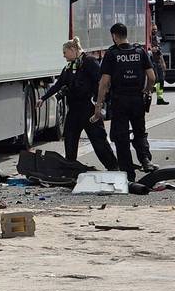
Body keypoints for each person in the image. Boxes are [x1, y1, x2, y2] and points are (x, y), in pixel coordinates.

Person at [40, 37, 117, 170]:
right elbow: (59, 84)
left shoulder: (89, 62)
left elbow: (101, 82)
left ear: (73, 49)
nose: (63, 56)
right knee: (70, 137)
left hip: (89, 108)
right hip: (74, 109)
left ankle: (113, 167)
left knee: (98, 141)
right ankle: (70, 167)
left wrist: (100, 103)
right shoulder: (69, 67)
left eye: (65, 52)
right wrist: (43, 98)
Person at [92, 23, 157, 181]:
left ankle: (128, 174)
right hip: (137, 99)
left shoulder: (112, 54)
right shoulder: (140, 51)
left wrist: (98, 105)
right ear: (126, 34)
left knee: (121, 137)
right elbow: (152, 77)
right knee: (140, 131)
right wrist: (146, 91)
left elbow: (104, 82)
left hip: (119, 100)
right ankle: (145, 159)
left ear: (114, 36)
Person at [150, 29, 169, 105]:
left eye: (156, 29)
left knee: (161, 80)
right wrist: (151, 49)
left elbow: (159, 52)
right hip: (151, 62)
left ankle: (160, 98)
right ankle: (148, 97)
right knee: (155, 80)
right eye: (153, 29)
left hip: (158, 62)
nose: (155, 31)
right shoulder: (148, 39)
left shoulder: (156, 39)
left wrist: (163, 63)